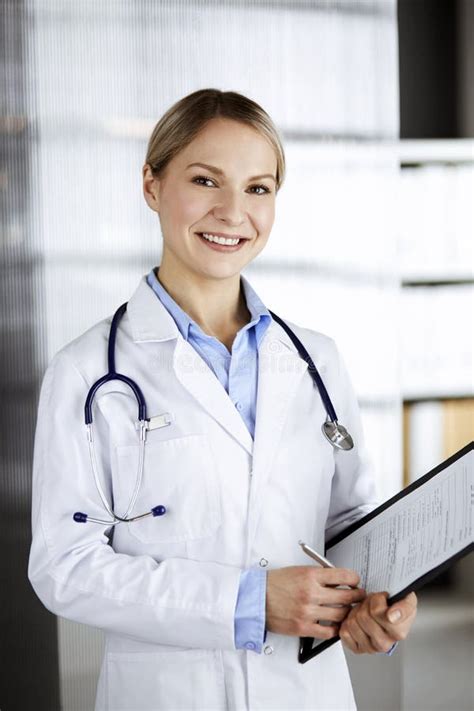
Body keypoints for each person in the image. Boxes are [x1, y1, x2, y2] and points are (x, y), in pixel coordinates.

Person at [28, 88, 417, 711]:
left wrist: (374, 605)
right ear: (152, 185)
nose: (234, 211)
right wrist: (248, 601)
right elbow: (64, 569)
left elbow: (345, 524)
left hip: (305, 692)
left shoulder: (318, 360)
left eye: (258, 188)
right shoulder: (85, 373)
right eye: (207, 180)